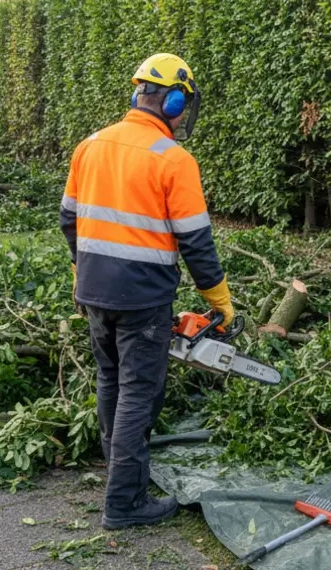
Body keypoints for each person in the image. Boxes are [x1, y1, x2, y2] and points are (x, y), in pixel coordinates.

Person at [59, 53, 233, 530]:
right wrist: (220, 301)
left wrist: (82, 272)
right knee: (139, 390)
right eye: (183, 103)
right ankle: (124, 503)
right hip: (143, 300)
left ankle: (119, 471)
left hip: (94, 291)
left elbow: (68, 220)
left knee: (110, 380)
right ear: (175, 100)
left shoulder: (90, 145)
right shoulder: (173, 159)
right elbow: (196, 242)